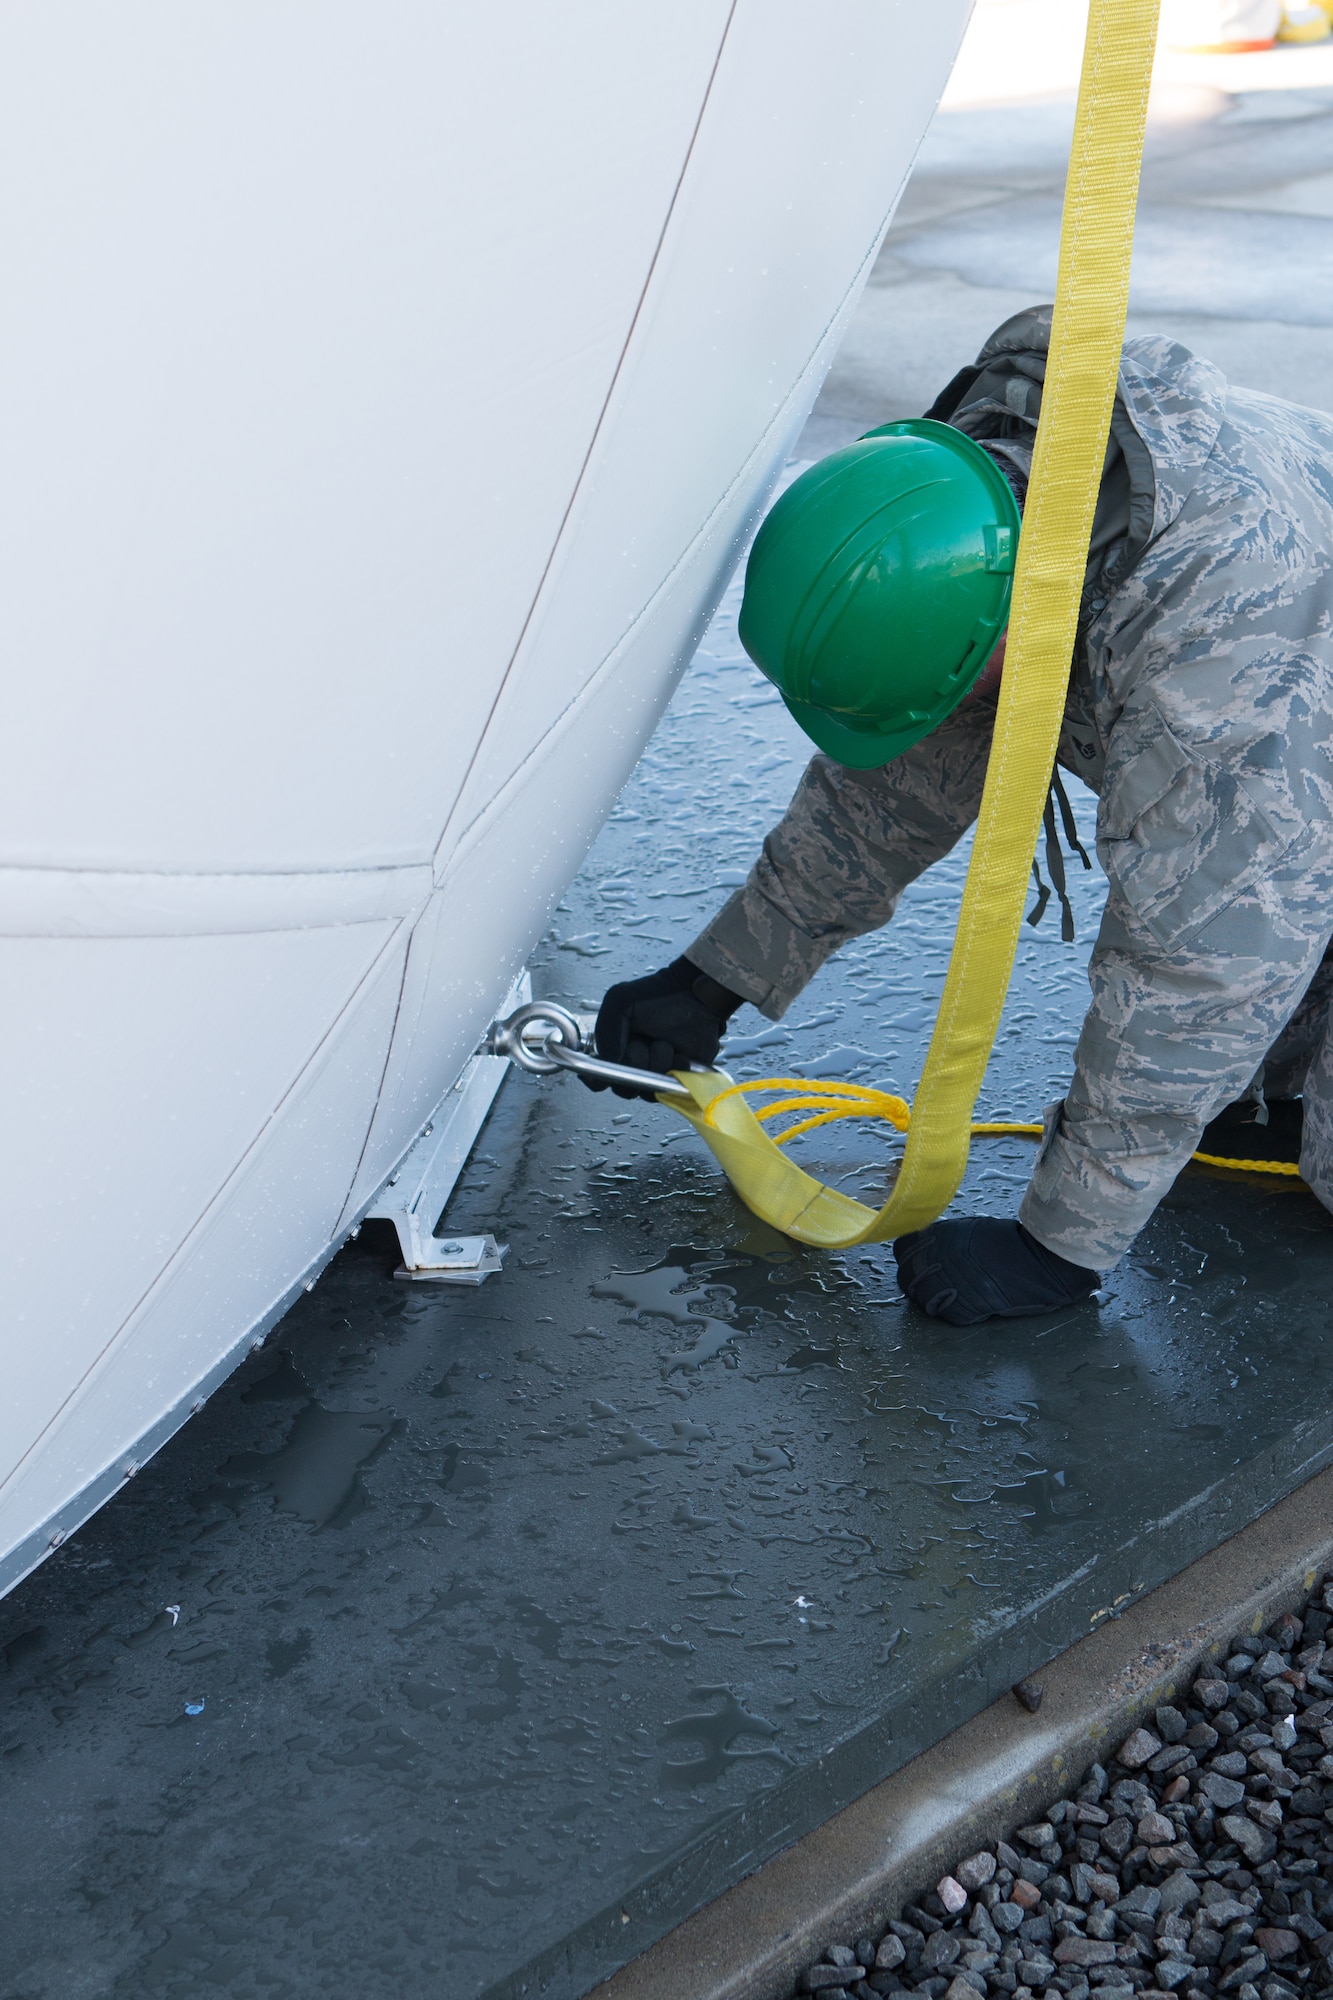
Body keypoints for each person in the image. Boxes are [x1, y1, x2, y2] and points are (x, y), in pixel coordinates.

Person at [586, 306, 1333, 1325]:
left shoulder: (1219, 640)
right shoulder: (976, 510)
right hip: (1297, 766)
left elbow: (1206, 947)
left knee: (1250, 976)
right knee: (1257, 1055)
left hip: (1287, 734)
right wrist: (719, 973)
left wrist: (1057, 1244)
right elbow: (902, 770)